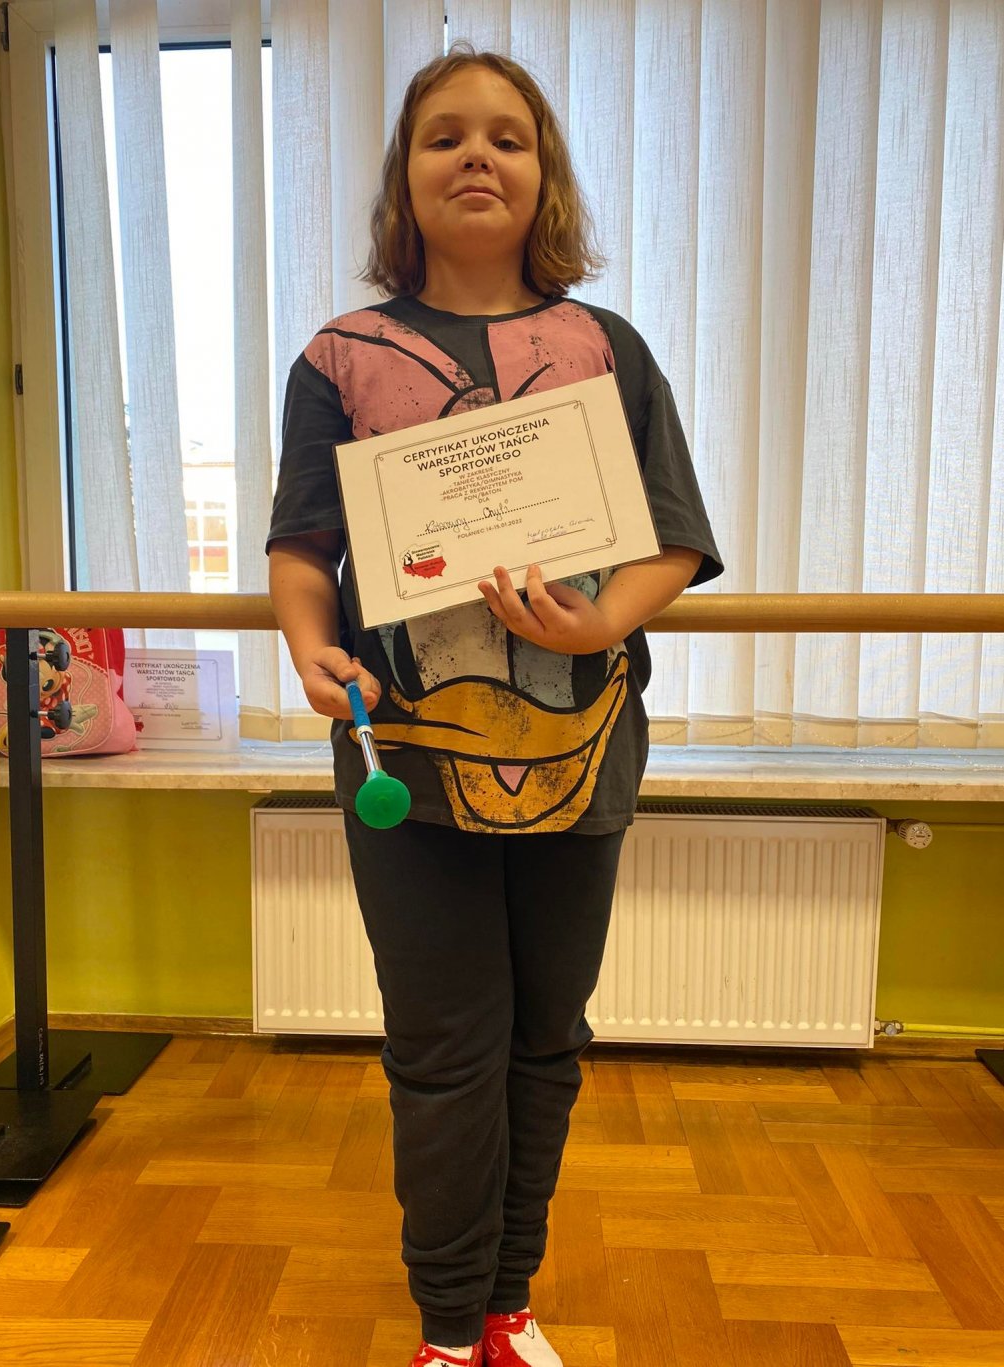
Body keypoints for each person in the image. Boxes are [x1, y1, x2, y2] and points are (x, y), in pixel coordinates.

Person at [267, 42, 723, 1367]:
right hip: (403, 758)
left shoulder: (606, 349)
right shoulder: (338, 359)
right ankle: (445, 1327)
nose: (477, 155)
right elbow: (303, 545)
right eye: (445, 135)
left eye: (507, 137)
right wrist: (310, 649)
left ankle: (508, 1307)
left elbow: (673, 539)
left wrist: (600, 621)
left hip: (584, 745)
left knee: (544, 1041)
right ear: (404, 179)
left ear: (544, 177)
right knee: (441, 1047)